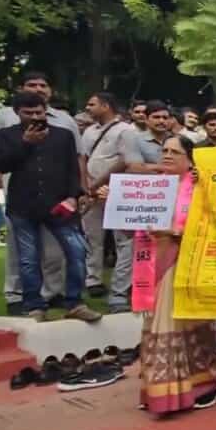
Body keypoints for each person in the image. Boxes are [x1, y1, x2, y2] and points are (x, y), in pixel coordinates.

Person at [120, 135, 216, 414]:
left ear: (189, 159)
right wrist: (117, 204)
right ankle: (159, 390)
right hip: (154, 265)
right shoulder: (150, 187)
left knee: (187, 327)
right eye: (164, 150)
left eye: (175, 152)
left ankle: (203, 385)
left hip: (187, 264)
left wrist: (175, 233)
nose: (167, 155)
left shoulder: (201, 188)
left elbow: (214, 225)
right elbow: (130, 228)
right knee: (157, 326)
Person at [0, 92, 101, 323]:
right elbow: (2, 165)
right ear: (17, 113)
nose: (35, 116)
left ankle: (74, 302)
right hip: (23, 206)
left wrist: (75, 195)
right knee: (28, 258)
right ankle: (34, 305)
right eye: (28, 113)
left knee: (77, 251)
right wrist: (26, 143)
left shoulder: (63, 135)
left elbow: (72, 168)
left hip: (60, 204)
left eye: (39, 112)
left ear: (47, 111)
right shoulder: (6, 136)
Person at [79, 93, 135, 309]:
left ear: (106, 106)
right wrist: (86, 186)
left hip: (116, 190)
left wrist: (98, 184)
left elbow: (124, 161)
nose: (87, 107)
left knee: (122, 240)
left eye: (92, 104)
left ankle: (121, 286)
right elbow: (82, 158)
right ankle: (93, 280)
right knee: (92, 237)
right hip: (91, 190)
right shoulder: (89, 131)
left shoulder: (126, 130)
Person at [125, 101, 173, 174]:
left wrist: (148, 166)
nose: (161, 121)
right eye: (156, 117)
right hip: (145, 183)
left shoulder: (177, 140)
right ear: (146, 120)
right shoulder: (134, 139)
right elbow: (134, 168)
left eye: (165, 118)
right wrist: (168, 168)